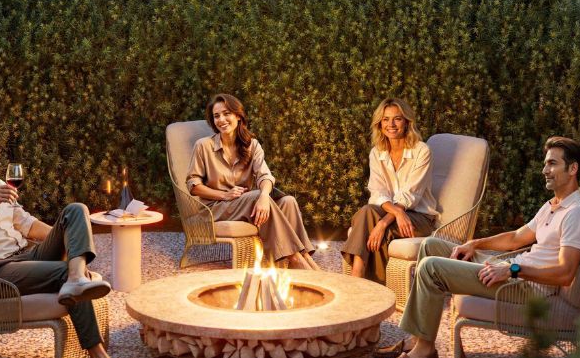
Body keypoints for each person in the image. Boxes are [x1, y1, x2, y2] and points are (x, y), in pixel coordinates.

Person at [0, 120, 143, 358]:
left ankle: (76, 277)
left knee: (75, 210)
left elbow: (27, 224)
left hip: (26, 256)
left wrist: (69, 238)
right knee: (66, 273)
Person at [373, 136, 580, 358]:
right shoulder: (553, 205)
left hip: (523, 287)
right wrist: (475, 243)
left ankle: (424, 354)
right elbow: (516, 238)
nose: (544, 170)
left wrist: (512, 270)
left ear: (572, 169)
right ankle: (418, 339)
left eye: (552, 163)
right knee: (431, 246)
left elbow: (565, 273)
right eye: (545, 164)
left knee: (430, 268)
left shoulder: (576, 214)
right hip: (511, 271)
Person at [186, 93, 318, 270]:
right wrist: (224, 195)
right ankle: (296, 260)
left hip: (244, 205)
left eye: (226, 113)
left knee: (288, 201)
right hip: (215, 209)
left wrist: (264, 196)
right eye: (216, 116)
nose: (221, 120)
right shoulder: (203, 146)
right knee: (256, 196)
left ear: (238, 116)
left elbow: (265, 176)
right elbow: (193, 185)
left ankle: (301, 258)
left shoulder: (252, 145)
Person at [342, 98, 439, 282]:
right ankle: (359, 279)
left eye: (397, 119)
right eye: (385, 119)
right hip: (394, 212)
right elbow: (377, 192)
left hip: (418, 217)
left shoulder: (422, 151)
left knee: (376, 226)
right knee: (367, 211)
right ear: (380, 124)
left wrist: (383, 223)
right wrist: (395, 212)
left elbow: (411, 194)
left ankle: (360, 282)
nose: (391, 125)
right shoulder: (376, 152)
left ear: (407, 122)